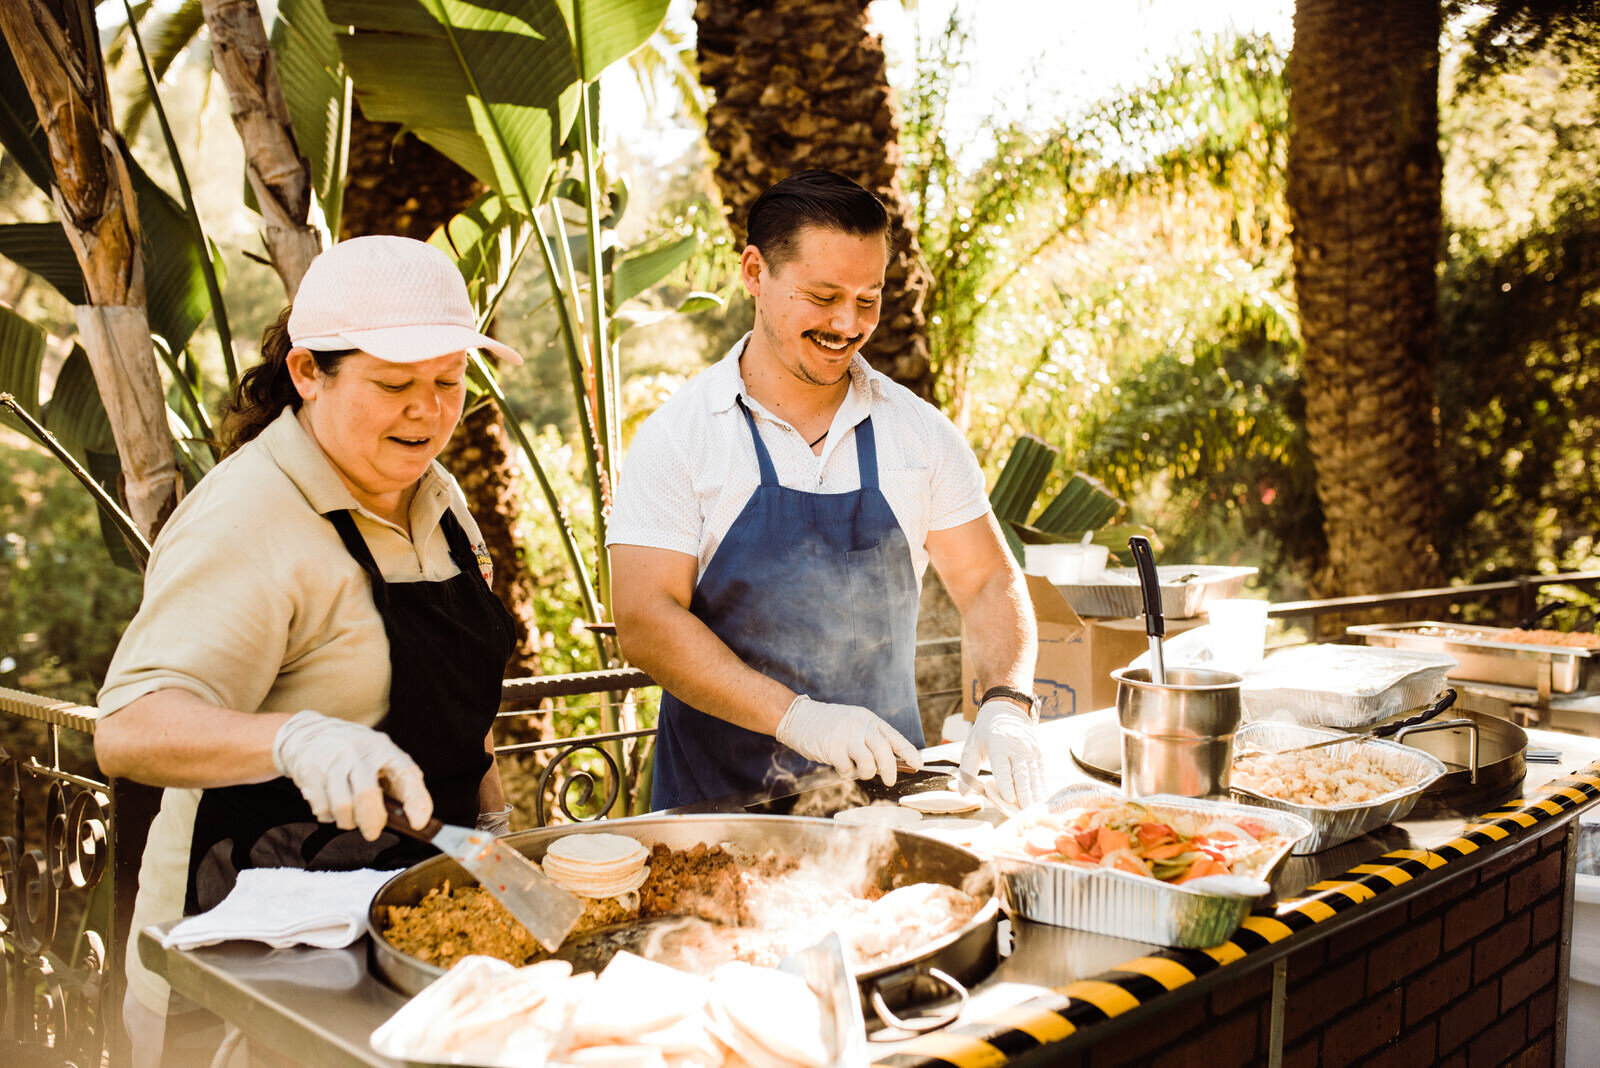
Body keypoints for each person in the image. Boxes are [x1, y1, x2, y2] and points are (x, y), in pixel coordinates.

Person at [94, 235, 524, 1060]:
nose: (429, 412)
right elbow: (130, 728)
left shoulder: (439, 497)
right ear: (307, 374)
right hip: (245, 968)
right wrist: (295, 737)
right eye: (395, 384)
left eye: (448, 382)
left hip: (405, 933)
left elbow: (459, 705)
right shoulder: (248, 516)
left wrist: (495, 836)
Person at [608, 170, 1046, 812]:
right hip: (717, 814)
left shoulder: (918, 435)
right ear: (755, 272)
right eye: (823, 296)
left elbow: (987, 582)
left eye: (868, 299)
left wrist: (1007, 703)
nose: (848, 323)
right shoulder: (682, 436)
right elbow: (646, 620)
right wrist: (800, 720)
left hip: (886, 805)